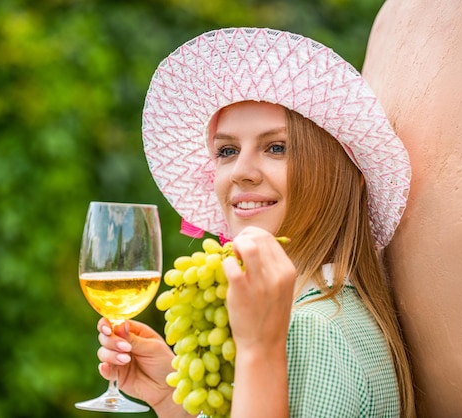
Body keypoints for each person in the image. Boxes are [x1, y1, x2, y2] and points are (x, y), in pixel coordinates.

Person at [95, 27, 415, 418]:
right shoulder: (327, 313)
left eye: (276, 147)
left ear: (338, 172)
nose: (240, 172)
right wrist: (169, 399)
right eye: (227, 151)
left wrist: (259, 351)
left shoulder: (310, 333)